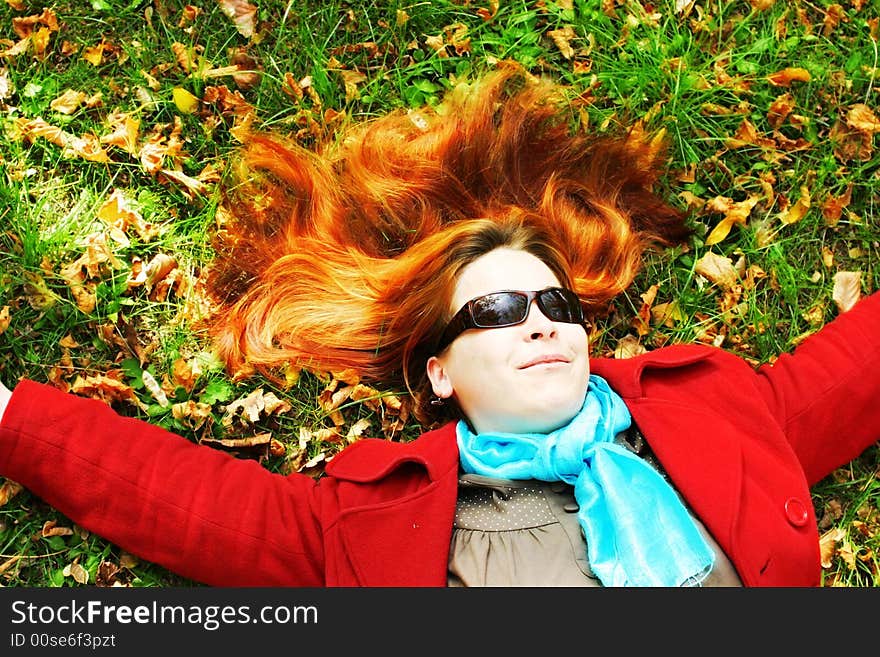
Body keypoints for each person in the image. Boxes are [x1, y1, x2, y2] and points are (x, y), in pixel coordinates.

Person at [0, 63, 878, 587]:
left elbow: (858, 365)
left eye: (555, 305)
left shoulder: (718, 413)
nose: (539, 323)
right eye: (497, 310)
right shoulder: (379, 525)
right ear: (439, 373)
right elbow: (185, 502)